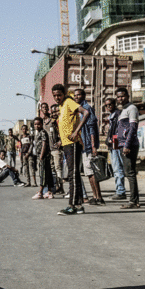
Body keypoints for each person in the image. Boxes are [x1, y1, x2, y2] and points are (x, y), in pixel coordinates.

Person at [53, 84, 90, 215]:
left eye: (59, 95)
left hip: (73, 143)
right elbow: (65, 124)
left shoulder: (69, 102)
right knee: (75, 175)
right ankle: (79, 205)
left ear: (64, 93)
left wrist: (76, 132)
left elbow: (86, 112)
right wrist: (60, 141)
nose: (57, 97)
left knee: (72, 175)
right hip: (67, 144)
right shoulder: (61, 106)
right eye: (55, 96)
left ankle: (72, 205)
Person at [74, 88, 104, 206]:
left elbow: (92, 128)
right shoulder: (79, 109)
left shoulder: (87, 108)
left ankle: (99, 197)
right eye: (75, 95)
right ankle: (95, 196)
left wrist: (93, 146)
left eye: (79, 95)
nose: (76, 97)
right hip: (84, 146)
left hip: (88, 146)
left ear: (84, 95)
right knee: (89, 173)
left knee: (92, 173)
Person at [114, 87, 141, 210]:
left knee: (130, 173)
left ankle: (134, 202)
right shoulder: (123, 110)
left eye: (123, 96)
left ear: (128, 96)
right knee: (128, 172)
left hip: (129, 146)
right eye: (118, 97)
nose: (120, 98)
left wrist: (127, 145)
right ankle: (133, 200)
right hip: (123, 145)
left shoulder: (132, 108)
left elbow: (133, 128)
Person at [104, 97, 127, 200]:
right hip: (113, 145)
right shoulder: (112, 116)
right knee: (116, 169)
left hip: (117, 145)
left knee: (118, 169)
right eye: (106, 105)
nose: (108, 107)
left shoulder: (118, 115)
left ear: (114, 105)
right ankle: (119, 190)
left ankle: (121, 192)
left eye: (110, 105)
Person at [31, 117, 54, 200]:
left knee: (42, 174)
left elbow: (44, 144)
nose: (36, 126)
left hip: (44, 156)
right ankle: (49, 192)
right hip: (42, 156)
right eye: (35, 124)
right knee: (47, 174)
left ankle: (40, 192)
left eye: (38, 124)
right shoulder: (38, 133)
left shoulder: (43, 132)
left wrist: (41, 156)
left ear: (42, 124)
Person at [47, 103, 65, 196]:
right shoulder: (53, 122)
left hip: (57, 149)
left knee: (58, 168)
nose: (54, 113)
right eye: (53, 112)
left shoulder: (61, 120)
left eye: (56, 111)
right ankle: (56, 186)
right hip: (51, 149)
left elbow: (63, 132)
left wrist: (60, 141)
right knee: (53, 168)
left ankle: (61, 187)